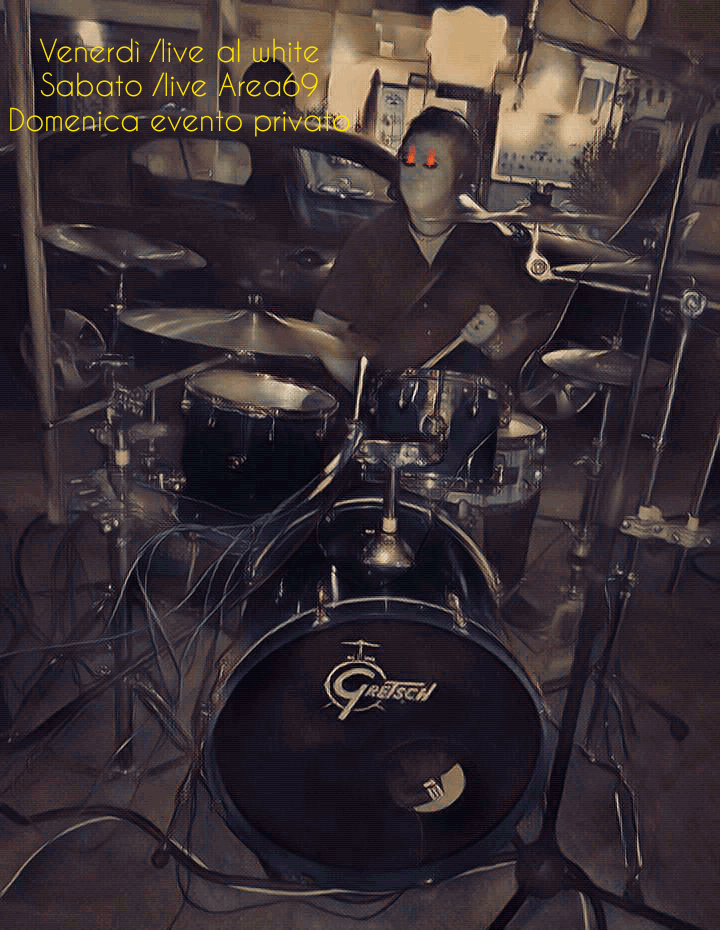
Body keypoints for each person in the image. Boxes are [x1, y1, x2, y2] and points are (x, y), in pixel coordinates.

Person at [312, 107, 573, 595]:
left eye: (430, 163)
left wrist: (495, 338)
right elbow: (326, 330)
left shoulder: (489, 244)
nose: (413, 171)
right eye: (407, 159)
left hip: (468, 418)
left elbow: (528, 329)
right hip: (388, 415)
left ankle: (493, 595)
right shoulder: (371, 240)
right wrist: (369, 394)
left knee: (517, 467)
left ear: (459, 178)